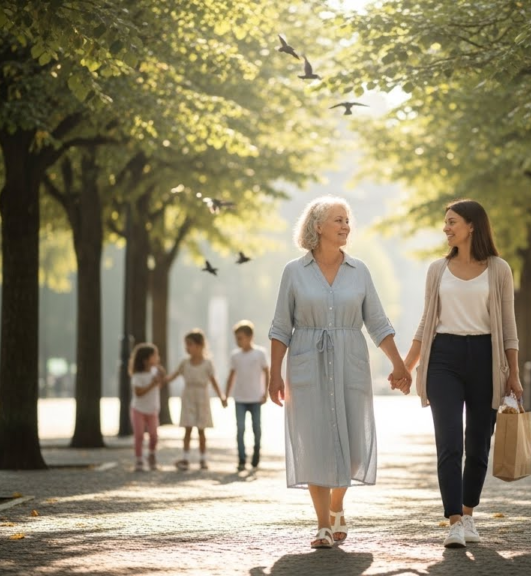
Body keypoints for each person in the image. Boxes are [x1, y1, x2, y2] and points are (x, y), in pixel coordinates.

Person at [268, 195, 412, 549]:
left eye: (347, 220)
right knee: (314, 443)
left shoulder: (359, 270)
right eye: (338, 219)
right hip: (307, 363)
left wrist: (399, 364)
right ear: (317, 226)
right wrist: (274, 374)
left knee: (354, 446)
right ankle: (322, 525)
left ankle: (337, 505)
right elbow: (281, 327)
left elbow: (377, 322)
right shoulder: (293, 272)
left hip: (351, 362)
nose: (346, 225)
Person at [402, 199, 522, 549]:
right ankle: (454, 520)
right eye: (446, 222)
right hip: (443, 359)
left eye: (452, 221)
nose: (446, 228)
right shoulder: (437, 270)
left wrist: (514, 373)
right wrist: (406, 366)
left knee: (479, 444)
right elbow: (427, 321)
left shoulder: (499, 269)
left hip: (486, 358)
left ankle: (469, 514)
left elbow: (509, 326)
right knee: (449, 442)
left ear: (472, 225)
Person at [166, 329, 225, 471]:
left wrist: (221, 396)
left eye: (190, 344)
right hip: (188, 397)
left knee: (201, 430)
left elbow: (214, 381)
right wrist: (161, 379)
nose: (187, 348)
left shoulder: (207, 364)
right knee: (187, 428)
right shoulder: (184, 363)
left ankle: (203, 459)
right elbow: (172, 376)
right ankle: (185, 458)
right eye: (186, 344)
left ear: (199, 346)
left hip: (202, 397)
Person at [225, 320, 269, 472]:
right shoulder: (235, 356)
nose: (238, 341)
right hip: (240, 398)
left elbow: (267, 372)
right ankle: (242, 459)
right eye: (236, 338)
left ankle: (256, 453)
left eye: (240, 338)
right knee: (240, 429)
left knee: (256, 428)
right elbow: (231, 376)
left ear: (250, 337)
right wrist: (226, 395)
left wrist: (266, 392)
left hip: (256, 398)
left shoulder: (260, 353)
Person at [129, 343, 168, 472]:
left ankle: (152, 454)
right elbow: (138, 393)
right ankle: (139, 459)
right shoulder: (137, 376)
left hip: (153, 409)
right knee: (139, 435)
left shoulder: (155, 371)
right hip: (138, 409)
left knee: (154, 435)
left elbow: (160, 383)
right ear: (146, 359)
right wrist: (153, 384)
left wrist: (161, 376)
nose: (158, 358)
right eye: (154, 356)